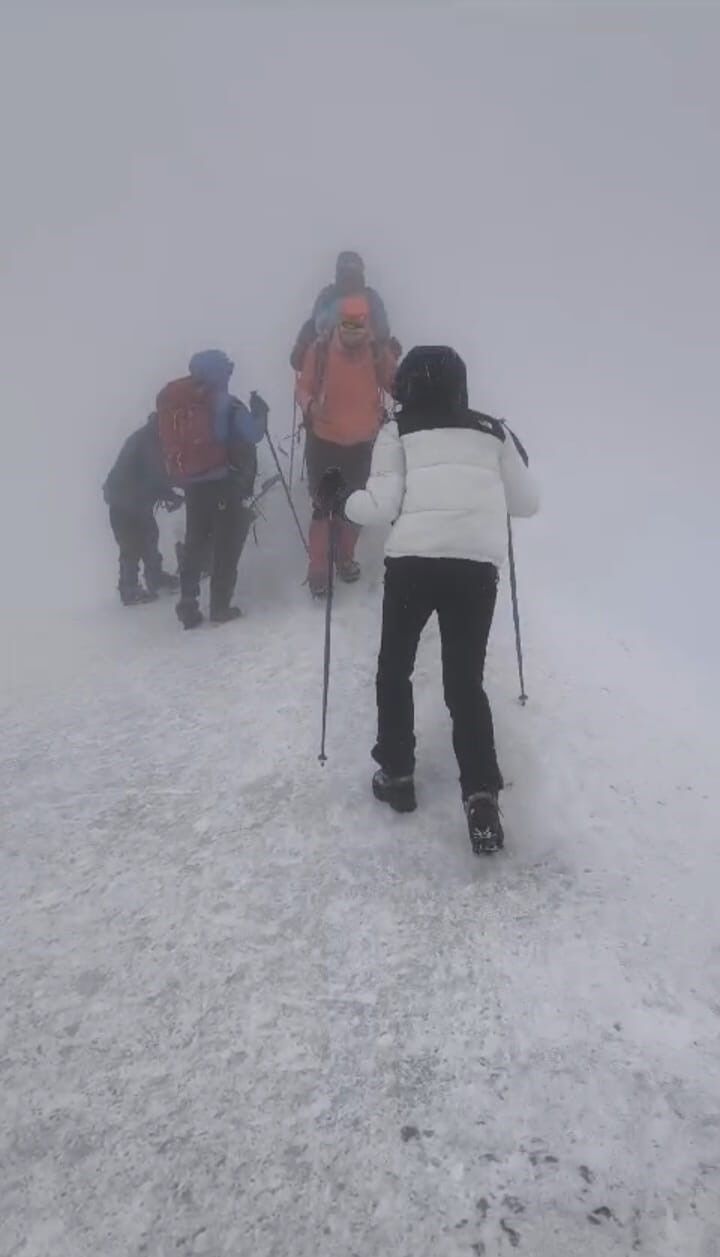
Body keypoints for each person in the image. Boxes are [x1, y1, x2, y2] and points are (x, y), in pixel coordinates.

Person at [337, 345, 539, 855]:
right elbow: (526, 503)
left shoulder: (397, 432)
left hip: (414, 565)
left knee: (395, 669)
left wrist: (338, 498)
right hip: (475, 567)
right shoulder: (493, 431)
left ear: (408, 385)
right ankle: (480, 793)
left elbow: (379, 508)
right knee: (464, 682)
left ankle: (398, 774)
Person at [156, 350, 267, 629]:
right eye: (227, 370)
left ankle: (188, 600)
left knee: (195, 542)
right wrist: (260, 413)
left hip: (192, 484)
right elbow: (253, 434)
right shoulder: (225, 404)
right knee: (226, 544)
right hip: (222, 482)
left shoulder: (178, 402)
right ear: (221, 373)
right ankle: (220, 606)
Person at [295, 295, 397, 596]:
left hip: (363, 442)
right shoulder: (321, 349)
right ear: (339, 322)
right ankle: (318, 569)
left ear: (367, 325)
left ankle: (344, 559)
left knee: (356, 506)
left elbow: (394, 383)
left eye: (358, 325)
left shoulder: (377, 352)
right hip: (325, 440)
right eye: (347, 324)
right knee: (323, 506)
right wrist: (312, 406)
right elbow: (303, 387)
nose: (352, 331)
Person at [103, 413, 183, 605]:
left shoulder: (145, 437)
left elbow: (153, 476)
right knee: (132, 543)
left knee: (148, 535)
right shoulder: (149, 441)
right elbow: (156, 476)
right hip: (126, 499)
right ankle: (130, 588)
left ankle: (153, 577)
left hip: (128, 497)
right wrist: (172, 494)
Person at [290, 251, 398, 372]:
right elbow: (382, 330)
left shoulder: (328, 296)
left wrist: (303, 345)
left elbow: (316, 324)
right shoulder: (370, 297)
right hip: (363, 365)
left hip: (333, 369)